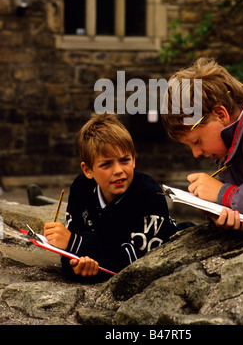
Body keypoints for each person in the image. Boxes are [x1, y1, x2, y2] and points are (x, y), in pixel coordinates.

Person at [44, 113, 192, 282]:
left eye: (125, 160)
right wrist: (79, 267)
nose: (118, 170)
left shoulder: (149, 193)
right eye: (106, 164)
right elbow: (67, 256)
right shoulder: (81, 188)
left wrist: (77, 245)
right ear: (88, 170)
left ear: (134, 159)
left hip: (179, 245)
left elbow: (138, 263)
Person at [161, 57, 243, 233]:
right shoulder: (234, 136)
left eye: (196, 141)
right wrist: (217, 209)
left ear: (220, 114)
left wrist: (224, 194)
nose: (196, 153)